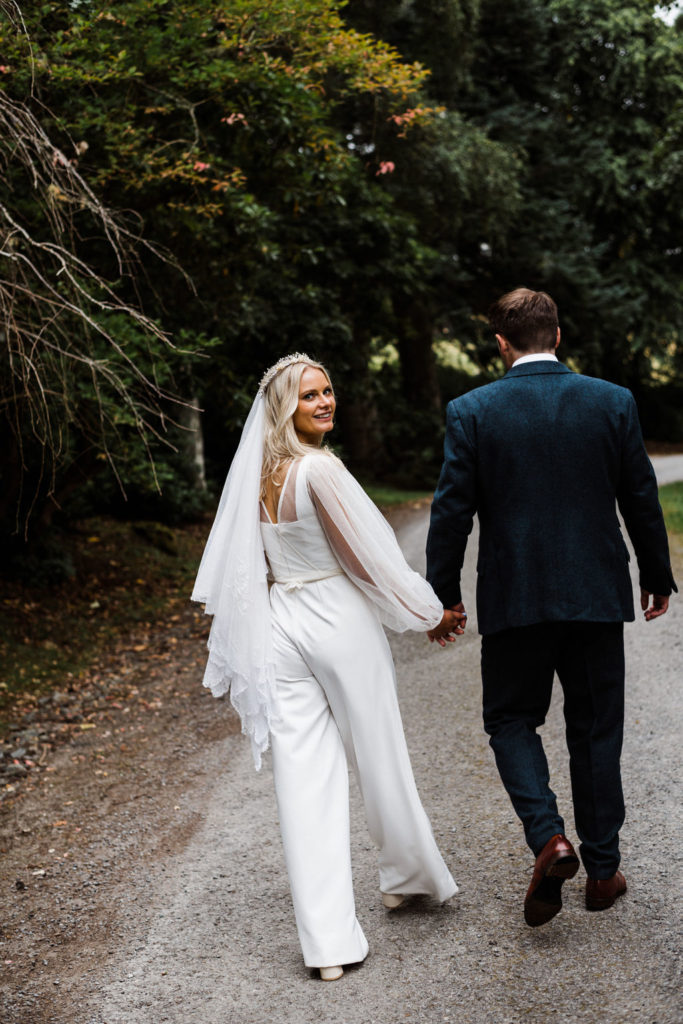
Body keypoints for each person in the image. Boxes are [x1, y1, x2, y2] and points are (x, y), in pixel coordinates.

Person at [192, 353, 461, 980]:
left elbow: (249, 566)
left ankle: (329, 947)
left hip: (281, 623)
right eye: (310, 395)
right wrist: (428, 613)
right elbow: (367, 559)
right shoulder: (319, 471)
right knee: (379, 751)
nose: (326, 402)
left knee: (303, 781)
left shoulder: (258, 474)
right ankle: (406, 877)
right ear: (285, 407)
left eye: (329, 390)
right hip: (336, 620)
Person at [426, 288, 676, 927]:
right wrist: (657, 575)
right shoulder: (611, 402)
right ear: (558, 337)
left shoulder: (471, 411)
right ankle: (602, 871)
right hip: (594, 595)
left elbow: (452, 511)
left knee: (511, 721)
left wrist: (444, 593)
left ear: (501, 343)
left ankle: (549, 839)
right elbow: (640, 497)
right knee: (596, 729)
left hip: (515, 598)